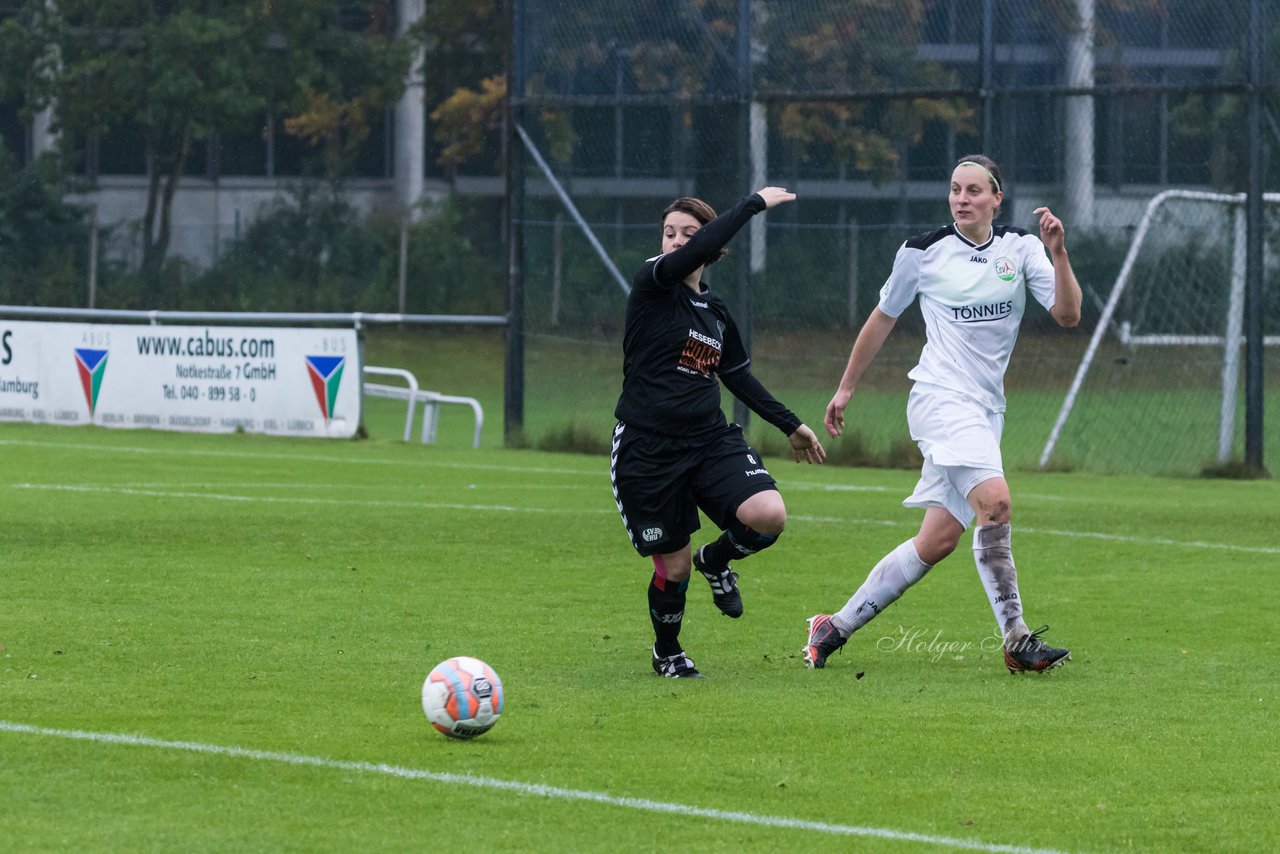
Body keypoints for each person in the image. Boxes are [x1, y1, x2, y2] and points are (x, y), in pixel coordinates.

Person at [803, 155, 1082, 675]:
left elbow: (1068, 315)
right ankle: (1017, 638)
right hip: (939, 398)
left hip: (983, 410)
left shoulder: (1019, 248)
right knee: (995, 503)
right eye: (955, 189)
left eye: (975, 190)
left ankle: (833, 627)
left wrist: (1059, 255)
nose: (962, 198)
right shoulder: (922, 252)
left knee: (937, 541)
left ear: (997, 198)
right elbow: (881, 319)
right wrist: (845, 389)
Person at [611, 187, 827, 679]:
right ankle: (668, 653)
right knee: (674, 568)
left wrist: (790, 424)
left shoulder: (715, 311)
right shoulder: (653, 283)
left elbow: (737, 377)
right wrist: (752, 203)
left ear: (716, 250)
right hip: (648, 449)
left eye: (690, 234)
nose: (677, 243)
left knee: (768, 515)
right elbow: (690, 255)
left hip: (709, 440)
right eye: (670, 233)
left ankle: (718, 559)